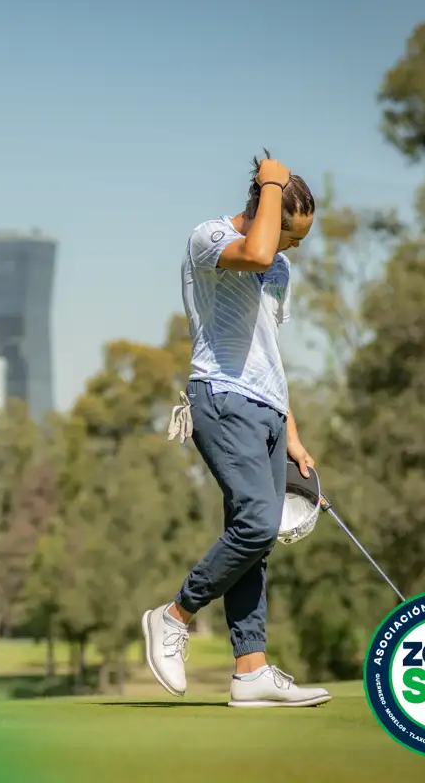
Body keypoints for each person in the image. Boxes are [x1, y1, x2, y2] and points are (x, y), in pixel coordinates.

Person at [144, 152, 332, 708]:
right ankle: (173, 615)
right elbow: (256, 251)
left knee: (257, 542)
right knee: (255, 524)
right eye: (291, 234)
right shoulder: (211, 238)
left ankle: (251, 670)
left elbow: (268, 351)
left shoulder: (280, 268)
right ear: (264, 205)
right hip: (222, 398)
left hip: (269, 409)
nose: (292, 247)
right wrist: (272, 181)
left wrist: (291, 431)